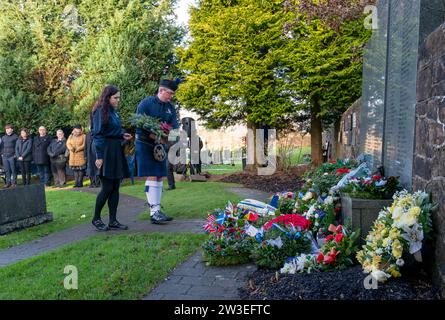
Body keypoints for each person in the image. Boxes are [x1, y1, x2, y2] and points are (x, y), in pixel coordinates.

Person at [135, 79, 180, 224]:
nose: (171, 96)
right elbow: (139, 125)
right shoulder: (146, 103)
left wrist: (168, 140)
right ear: (161, 90)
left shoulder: (170, 107)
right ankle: (153, 212)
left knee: (160, 176)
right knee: (152, 175)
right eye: (170, 93)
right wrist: (154, 136)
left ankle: (157, 210)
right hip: (145, 144)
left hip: (161, 146)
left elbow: (174, 127)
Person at [91, 85, 132, 231]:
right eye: (115, 97)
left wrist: (122, 134)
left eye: (118, 97)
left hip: (115, 149)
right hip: (105, 151)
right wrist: (99, 156)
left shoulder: (113, 112)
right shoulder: (99, 111)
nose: (118, 100)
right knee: (107, 187)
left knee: (115, 187)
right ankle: (96, 218)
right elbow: (98, 134)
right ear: (107, 97)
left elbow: (111, 130)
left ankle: (113, 220)